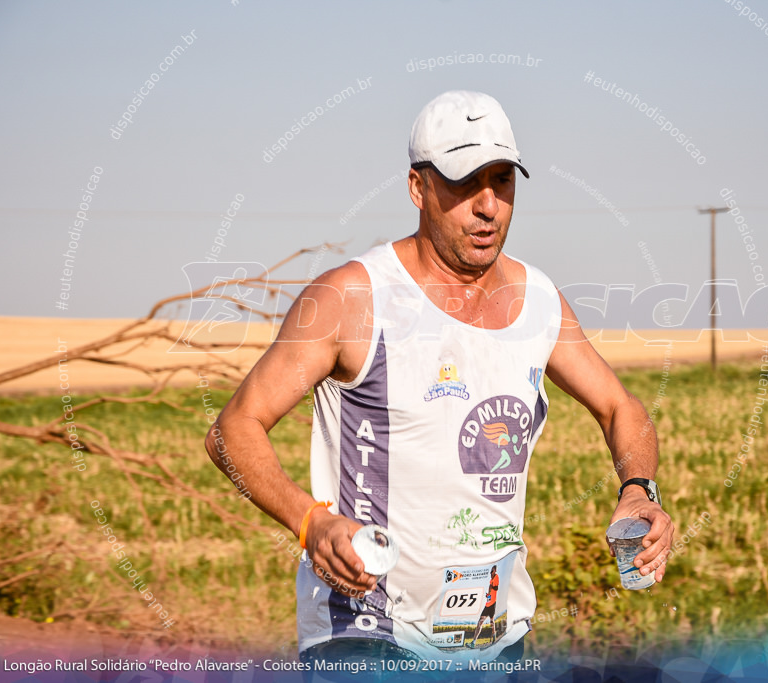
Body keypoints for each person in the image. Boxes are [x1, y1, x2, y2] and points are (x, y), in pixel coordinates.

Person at [205, 90, 674, 667]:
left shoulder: (540, 303)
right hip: (368, 633)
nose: (488, 206)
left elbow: (620, 407)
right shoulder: (351, 298)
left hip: (496, 640)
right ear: (417, 187)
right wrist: (310, 522)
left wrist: (638, 492)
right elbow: (233, 428)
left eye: (502, 181)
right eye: (464, 183)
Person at [468, 565, 500, 648]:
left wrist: (491, 587)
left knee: (491, 622)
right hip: (487, 605)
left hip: (492, 604)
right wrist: (488, 595)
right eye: (490, 571)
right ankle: (473, 642)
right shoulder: (490, 580)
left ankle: (494, 634)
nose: (490, 573)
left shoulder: (496, 577)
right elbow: (491, 591)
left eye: (492, 571)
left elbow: (496, 588)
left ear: (495, 571)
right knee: (480, 623)